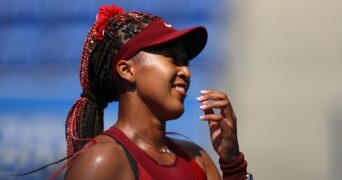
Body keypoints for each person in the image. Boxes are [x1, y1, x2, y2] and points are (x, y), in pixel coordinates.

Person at [62, 4, 251, 180]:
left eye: (185, 62)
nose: (186, 71)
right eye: (172, 58)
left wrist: (232, 161)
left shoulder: (197, 158)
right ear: (127, 70)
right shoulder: (103, 161)